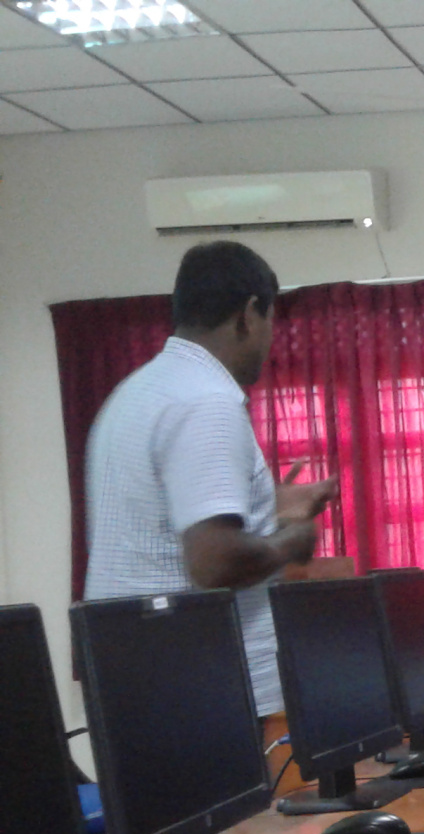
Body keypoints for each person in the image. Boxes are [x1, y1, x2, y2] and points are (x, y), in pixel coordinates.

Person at [84, 241, 338, 718]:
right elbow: (214, 562)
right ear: (248, 314)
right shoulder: (206, 401)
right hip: (206, 696)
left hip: (145, 687)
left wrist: (270, 504)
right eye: (270, 321)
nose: (270, 339)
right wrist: (291, 540)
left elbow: (164, 517)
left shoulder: (136, 393)